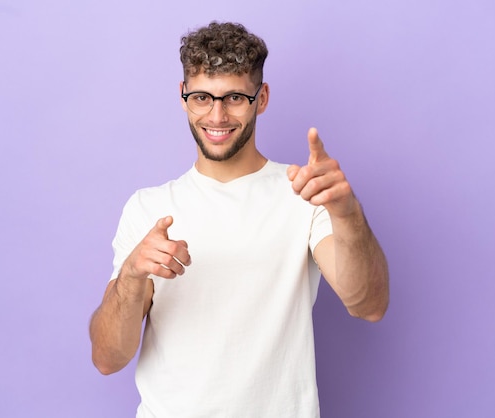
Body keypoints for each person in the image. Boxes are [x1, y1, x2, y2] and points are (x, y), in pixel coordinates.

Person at [89, 21, 389, 418]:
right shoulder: (148, 207)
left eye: (233, 97)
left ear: (260, 98)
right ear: (183, 97)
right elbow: (108, 358)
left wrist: (348, 214)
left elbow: (369, 304)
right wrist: (130, 275)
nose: (216, 115)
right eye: (201, 97)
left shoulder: (303, 194)